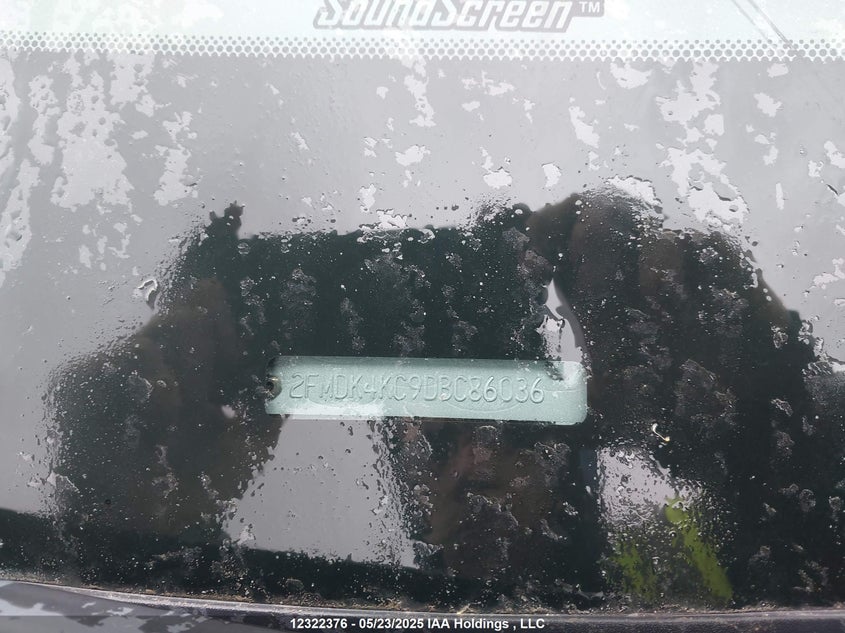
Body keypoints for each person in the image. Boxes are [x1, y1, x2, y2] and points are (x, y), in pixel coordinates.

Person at [46, 188, 845, 608]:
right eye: (435, 442)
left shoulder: (668, 577)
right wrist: (137, 516)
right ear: (405, 480)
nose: (474, 459)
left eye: (513, 425)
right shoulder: (329, 600)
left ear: (572, 453)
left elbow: (811, 552)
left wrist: (759, 389)